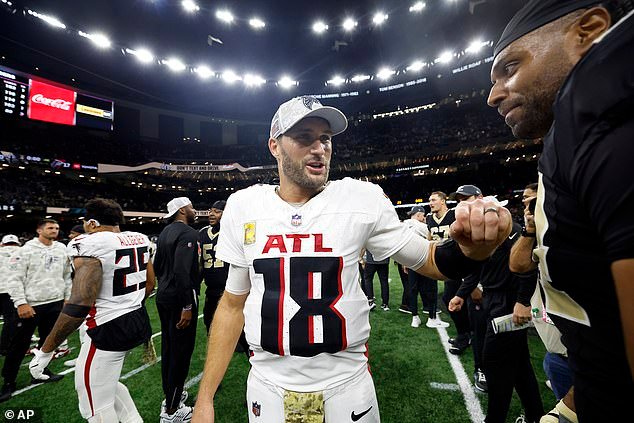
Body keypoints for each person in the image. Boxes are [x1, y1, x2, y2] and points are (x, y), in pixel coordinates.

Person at [192, 95, 513, 422]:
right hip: (267, 386)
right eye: (304, 137)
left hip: (345, 386)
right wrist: (204, 399)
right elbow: (232, 304)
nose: (319, 148)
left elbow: (429, 260)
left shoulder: (361, 199)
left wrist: (473, 250)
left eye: (325, 138)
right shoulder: (244, 206)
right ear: (274, 146)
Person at [487, 1, 634, 420]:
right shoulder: (567, 135)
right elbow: (607, 345)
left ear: (588, 32)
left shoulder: (601, 113)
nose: (493, 95)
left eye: (510, 67)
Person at [28, 198, 154, 422]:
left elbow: (80, 303)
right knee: (107, 386)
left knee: (94, 407)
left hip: (107, 329)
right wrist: (126, 304)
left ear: (92, 223)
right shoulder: (140, 238)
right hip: (137, 319)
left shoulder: (91, 243)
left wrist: (45, 351)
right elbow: (150, 284)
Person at [450, 190, 544, 423]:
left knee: (495, 362)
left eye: (466, 199)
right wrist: (461, 294)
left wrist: (522, 301)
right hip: (494, 299)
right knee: (519, 363)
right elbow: (477, 268)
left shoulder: (513, 230)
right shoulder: (483, 232)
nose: (464, 205)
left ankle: (495, 419)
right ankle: (535, 414)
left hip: (508, 303)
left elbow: (527, 266)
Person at [511, 183, 576, 423]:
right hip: (557, 352)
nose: (528, 206)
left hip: (588, 349)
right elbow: (518, 265)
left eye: (535, 200)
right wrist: (530, 228)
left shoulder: (577, 233)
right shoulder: (534, 234)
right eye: (526, 201)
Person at [0, 219, 70, 402]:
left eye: (57, 228)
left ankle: (41, 371)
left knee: (48, 342)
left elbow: (66, 275)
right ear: (39, 230)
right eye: (50, 228)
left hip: (54, 302)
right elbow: (14, 278)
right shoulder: (25, 250)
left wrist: (67, 297)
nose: (54, 230)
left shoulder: (61, 249)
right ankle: (9, 381)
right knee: (19, 345)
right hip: (32, 304)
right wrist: (21, 303)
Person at [154, 197, 201, 422]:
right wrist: (187, 305)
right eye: (191, 207)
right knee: (181, 353)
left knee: (169, 348)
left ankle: (171, 395)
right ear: (182, 210)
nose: (194, 210)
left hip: (164, 295)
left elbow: (157, 266)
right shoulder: (188, 233)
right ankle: (172, 410)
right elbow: (182, 271)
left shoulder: (165, 232)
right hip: (180, 298)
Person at [199, 200, 250, 355]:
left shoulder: (236, 231)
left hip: (232, 290)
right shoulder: (202, 233)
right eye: (211, 210)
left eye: (217, 211)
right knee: (210, 326)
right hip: (211, 290)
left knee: (243, 331)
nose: (211, 214)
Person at [405, 205, 446, 328]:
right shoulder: (422, 226)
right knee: (431, 289)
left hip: (411, 261)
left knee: (413, 289)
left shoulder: (404, 225)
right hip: (425, 260)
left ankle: (415, 317)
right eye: (422, 216)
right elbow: (436, 238)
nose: (424, 218)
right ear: (419, 215)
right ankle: (431, 318)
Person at [0, 235, 21, 356]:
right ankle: (6, 347)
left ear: (3, 243)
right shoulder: (22, 252)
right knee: (11, 320)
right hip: (11, 290)